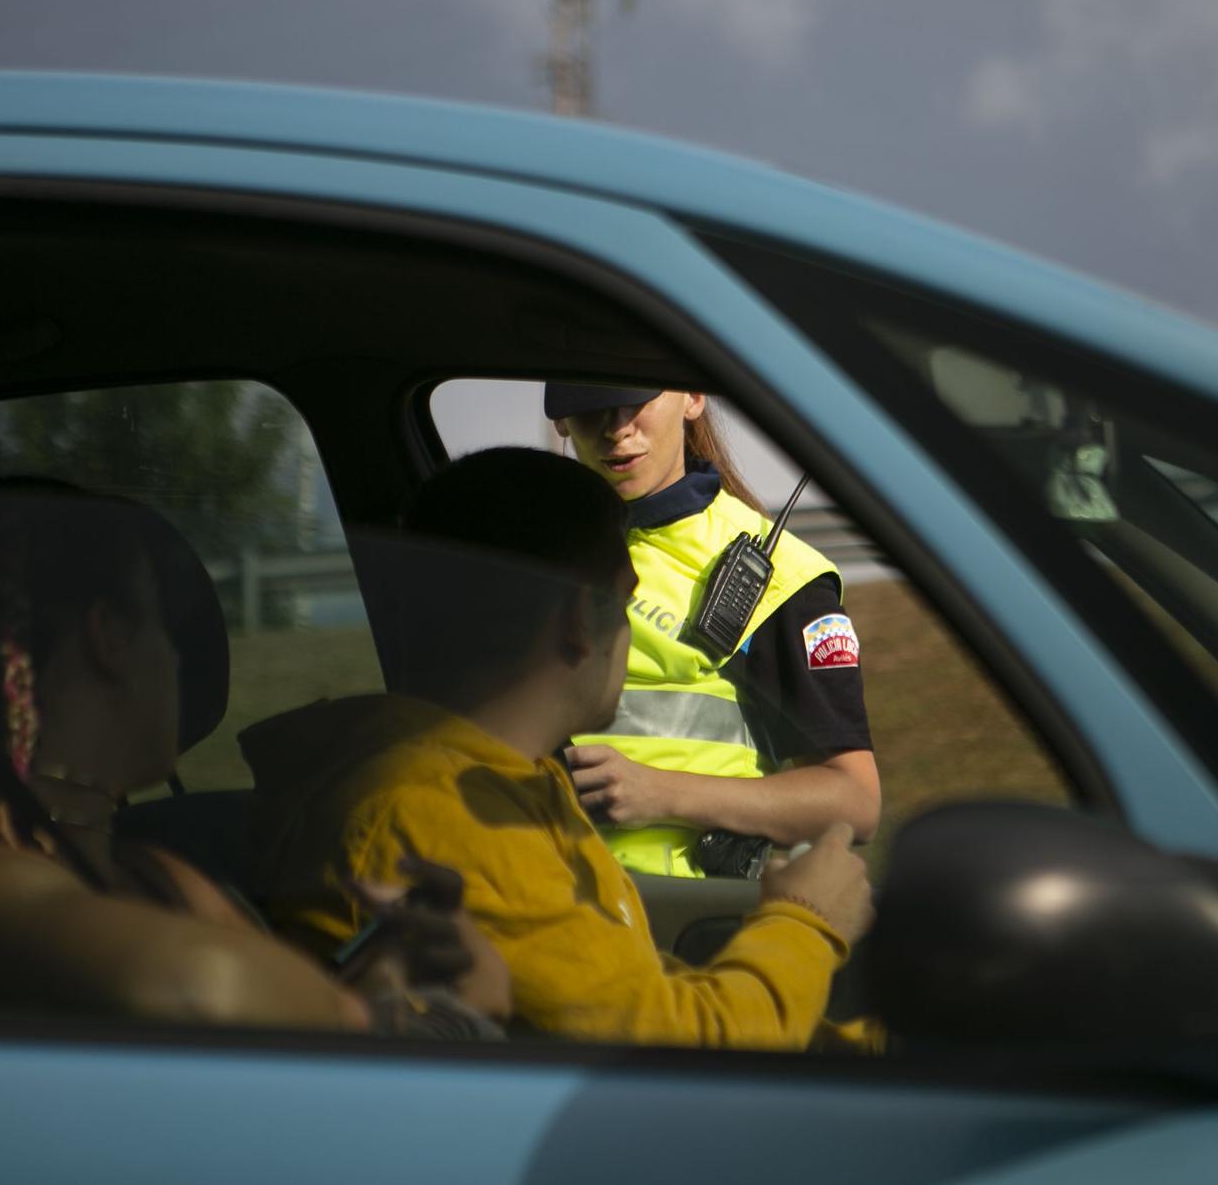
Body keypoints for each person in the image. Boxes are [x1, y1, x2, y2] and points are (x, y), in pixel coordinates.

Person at [245, 448, 873, 1047]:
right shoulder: (444, 817)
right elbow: (663, 1057)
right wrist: (803, 919)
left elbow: (629, 992)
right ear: (580, 621)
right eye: (624, 603)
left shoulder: (515, 786)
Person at [0, 481, 506, 1035]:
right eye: (165, 625)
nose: (176, 656)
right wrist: (372, 1013)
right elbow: (205, 984)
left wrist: (404, 969)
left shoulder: (153, 872)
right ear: (107, 635)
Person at [545, 384, 881, 879]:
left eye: (636, 401)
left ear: (693, 398)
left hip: (680, 928)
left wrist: (662, 793)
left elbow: (855, 801)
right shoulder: (519, 552)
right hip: (526, 905)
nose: (617, 428)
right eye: (590, 405)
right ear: (560, 422)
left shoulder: (785, 579)